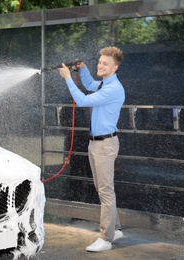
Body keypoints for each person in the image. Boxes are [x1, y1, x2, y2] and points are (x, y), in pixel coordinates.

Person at [58, 46, 125, 252]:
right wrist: (84, 69)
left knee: (105, 191)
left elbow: (83, 100)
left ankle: (106, 238)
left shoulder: (112, 89)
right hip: (96, 143)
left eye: (105, 63)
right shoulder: (105, 84)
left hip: (105, 144)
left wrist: (69, 78)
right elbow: (89, 84)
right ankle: (116, 228)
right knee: (102, 189)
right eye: (99, 61)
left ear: (114, 68)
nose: (100, 65)